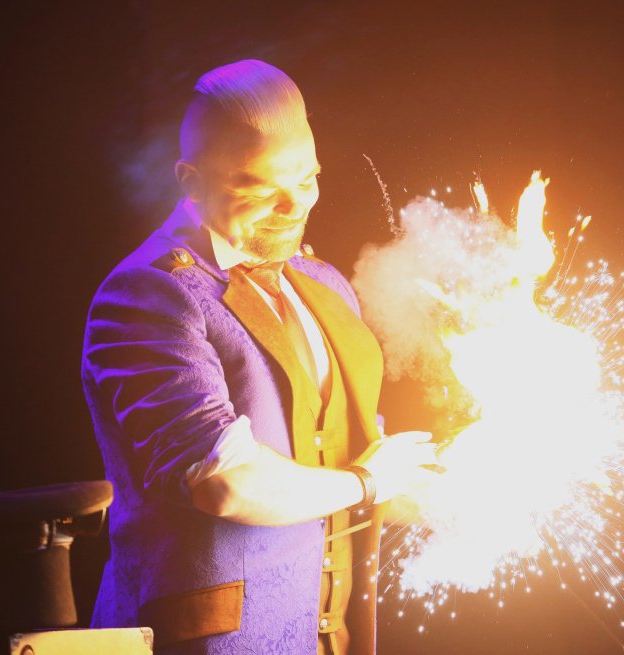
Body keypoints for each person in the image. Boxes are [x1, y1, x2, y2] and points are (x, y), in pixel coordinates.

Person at [82, 59, 438, 655]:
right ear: (192, 182)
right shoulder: (149, 293)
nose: (294, 206)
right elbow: (225, 481)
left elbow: (349, 469)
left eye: (308, 179)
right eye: (260, 189)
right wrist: (370, 480)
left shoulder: (323, 283)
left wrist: (466, 486)